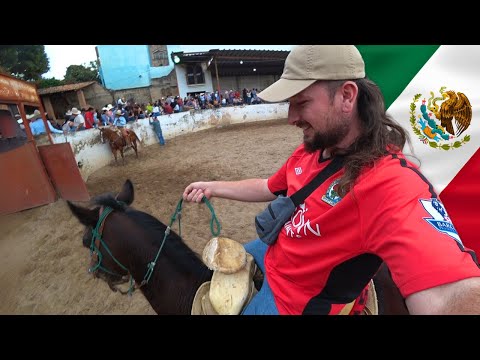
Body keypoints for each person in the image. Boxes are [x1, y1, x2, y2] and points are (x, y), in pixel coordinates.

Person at [183, 45, 480, 315]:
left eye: (301, 103)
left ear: (347, 96)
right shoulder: (311, 150)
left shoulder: (389, 184)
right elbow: (267, 186)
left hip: (293, 303)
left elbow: (448, 296)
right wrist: (213, 187)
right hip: (273, 253)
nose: (291, 117)